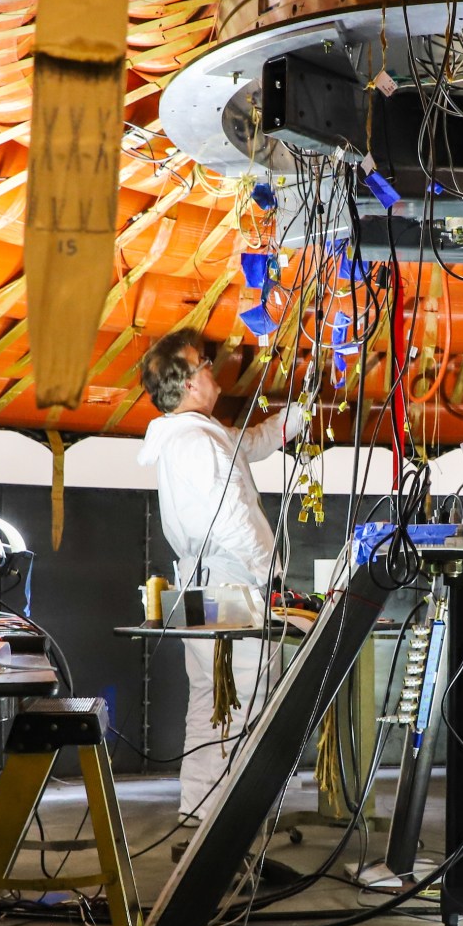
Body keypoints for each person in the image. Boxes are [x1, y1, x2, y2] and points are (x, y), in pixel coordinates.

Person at [136, 330, 308, 820]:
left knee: (210, 701)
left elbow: (252, 443)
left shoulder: (192, 435)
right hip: (230, 583)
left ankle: (199, 812)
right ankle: (233, 821)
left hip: (199, 583)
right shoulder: (196, 442)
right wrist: (268, 578)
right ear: (189, 382)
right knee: (247, 698)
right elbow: (233, 516)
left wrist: (297, 417)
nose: (213, 370)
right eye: (205, 363)